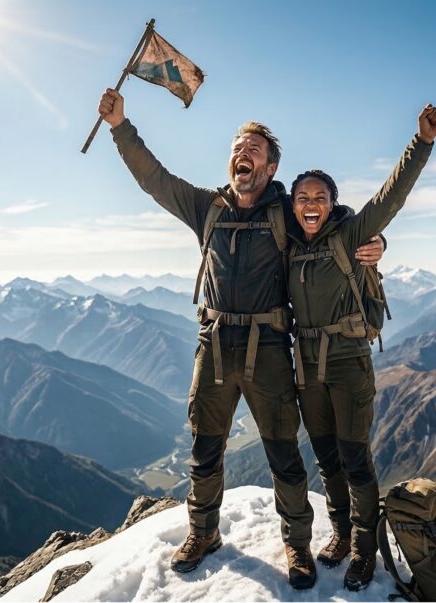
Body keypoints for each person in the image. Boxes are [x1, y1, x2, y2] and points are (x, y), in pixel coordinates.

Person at [97, 89, 386, 589]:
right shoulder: (206, 207)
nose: (242, 153)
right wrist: (121, 126)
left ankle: (297, 547)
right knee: (204, 447)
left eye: (254, 149)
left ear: (271, 167)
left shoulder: (284, 210)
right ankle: (203, 533)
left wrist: (376, 241)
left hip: (270, 349)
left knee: (283, 454)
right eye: (238, 146)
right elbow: (154, 179)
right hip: (212, 345)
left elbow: (332, 219)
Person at [286, 104, 435, 591]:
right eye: (303, 197)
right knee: (326, 456)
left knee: (355, 458)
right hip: (305, 364)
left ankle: (364, 550)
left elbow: (391, 195)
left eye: (320, 196)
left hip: (349, 362)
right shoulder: (287, 244)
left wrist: (422, 143)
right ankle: (342, 532)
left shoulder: (350, 235)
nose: (311, 203)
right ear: (292, 205)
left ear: (332, 203)